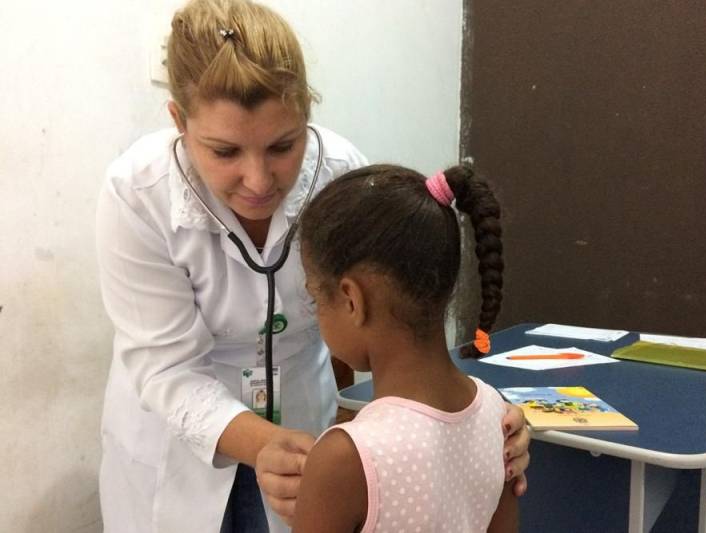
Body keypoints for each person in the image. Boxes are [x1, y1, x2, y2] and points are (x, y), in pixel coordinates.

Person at [95, 0, 530, 532]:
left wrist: (482, 426)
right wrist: (263, 444)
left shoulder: (342, 174)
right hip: (174, 448)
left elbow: (402, 314)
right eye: (224, 152)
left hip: (307, 433)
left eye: (283, 145)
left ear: (306, 110)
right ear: (179, 123)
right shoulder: (138, 194)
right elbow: (165, 367)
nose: (258, 181)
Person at [292, 164, 519, 532]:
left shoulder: (344, 457)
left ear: (352, 300)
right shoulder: (500, 414)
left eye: (315, 297)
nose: (317, 311)